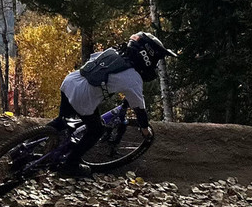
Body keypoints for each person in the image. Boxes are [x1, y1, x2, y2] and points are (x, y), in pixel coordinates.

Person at [51, 31, 176, 179]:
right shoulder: (134, 77)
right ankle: (70, 164)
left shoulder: (113, 52)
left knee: (63, 120)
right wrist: (144, 129)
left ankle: (30, 141)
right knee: (96, 130)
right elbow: (139, 107)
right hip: (84, 96)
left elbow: (94, 61)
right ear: (148, 56)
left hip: (71, 81)